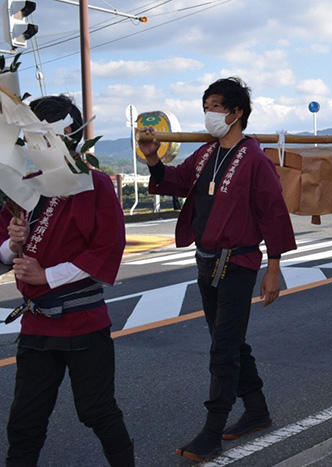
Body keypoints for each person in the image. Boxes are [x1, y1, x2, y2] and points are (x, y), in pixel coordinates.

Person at [138, 77, 296, 461]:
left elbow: (273, 215)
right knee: (230, 342)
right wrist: (153, 157)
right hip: (206, 262)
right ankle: (256, 409)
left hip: (238, 263)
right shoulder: (206, 154)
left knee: (223, 349)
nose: (209, 114)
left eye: (216, 106)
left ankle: (212, 430)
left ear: (237, 112)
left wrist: (273, 268)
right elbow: (175, 181)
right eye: (206, 106)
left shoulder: (255, 159)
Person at [1, 96, 134, 466]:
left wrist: (47, 275)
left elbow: (107, 248)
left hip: (82, 321)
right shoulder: (22, 184)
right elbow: (3, 248)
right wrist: (12, 245)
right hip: (36, 323)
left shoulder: (93, 183)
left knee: (97, 411)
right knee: (25, 421)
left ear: (68, 135)